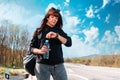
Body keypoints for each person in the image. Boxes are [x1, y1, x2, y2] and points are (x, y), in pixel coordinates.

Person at [29, 7, 72, 80]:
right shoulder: (39, 31)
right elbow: (31, 48)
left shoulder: (59, 31)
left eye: (56, 18)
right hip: (42, 65)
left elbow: (69, 43)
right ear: (47, 18)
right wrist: (40, 51)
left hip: (58, 65)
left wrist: (57, 36)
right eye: (52, 17)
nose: (55, 19)